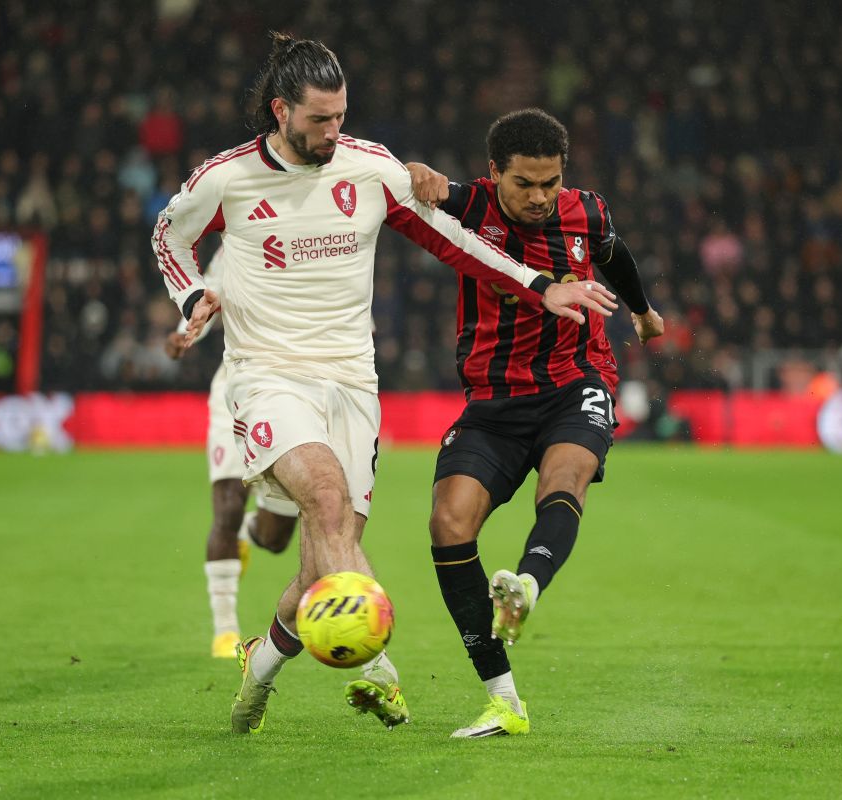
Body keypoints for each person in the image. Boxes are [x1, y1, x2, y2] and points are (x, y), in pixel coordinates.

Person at [152, 34, 613, 735]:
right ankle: (379, 671)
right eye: (319, 120)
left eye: (341, 116)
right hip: (268, 374)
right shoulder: (227, 178)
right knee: (326, 498)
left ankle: (260, 666)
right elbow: (168, 236)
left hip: (352, 384)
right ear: (280, 111)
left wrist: (539, 284)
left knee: (325, 558)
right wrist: (191, 296)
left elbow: (453, 239)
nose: (333, 132)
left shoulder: (369, 168)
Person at [406, 108, 664, 737]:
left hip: (576, 383)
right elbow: (407, 188)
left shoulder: (586, 211)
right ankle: (503, 700)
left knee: (565, 478)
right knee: (448, 524)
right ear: (494, 172)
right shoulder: (471, 207)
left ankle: (526, 584)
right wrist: (413, 171)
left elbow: (614, 252)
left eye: (551, 182)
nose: (541, 197)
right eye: (524, 183)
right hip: (494, 403)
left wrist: (642, 310)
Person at [163, 246, 300, 660]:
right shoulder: (240, 238)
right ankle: (225, 631)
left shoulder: (325, 235)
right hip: (236, 387)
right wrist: (185, 331)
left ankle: (246, 533)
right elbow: (208, 292)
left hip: (295, 394)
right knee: (226, 505)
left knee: (275, 538)